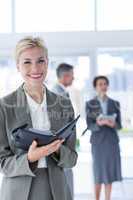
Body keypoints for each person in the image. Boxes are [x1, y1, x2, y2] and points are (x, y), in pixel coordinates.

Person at [0, 36, 78, 200]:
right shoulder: (4, 106)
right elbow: (3, 163)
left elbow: (71, 159)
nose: (35, 68)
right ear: (18, 66)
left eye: (40, 61)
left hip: (56, 190)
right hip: (18, 191)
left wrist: (55, 149)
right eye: (27, 62)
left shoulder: (63, 104)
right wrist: (30, 157)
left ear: (47, 63)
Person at [85, 76, 122, 200]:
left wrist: (113, 124)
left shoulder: (115, 103)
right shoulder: (90, 104)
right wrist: (98, 124)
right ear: (96, 87)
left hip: (111, 143)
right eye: (100, 84)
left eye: (105, 83)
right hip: (98, 143)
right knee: (98, 173)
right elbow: (89, 125)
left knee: (109, 173)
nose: (103, 86)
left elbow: (119, 125)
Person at [52, 63, 74, 198]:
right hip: (60, 145)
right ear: (65, 76)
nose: (73, 78)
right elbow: (59, 122)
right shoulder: (57, 94)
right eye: (72, 75)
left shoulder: (62, 92)